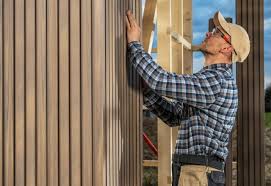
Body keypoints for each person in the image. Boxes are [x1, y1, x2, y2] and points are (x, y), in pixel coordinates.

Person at [126, 10, 250, 186]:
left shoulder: (216, 81)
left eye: (216, 33)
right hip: (193, 171)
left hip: (198, 173)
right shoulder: (209, 79)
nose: (209, 33)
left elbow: (161, 81)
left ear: (227, 48)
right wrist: (147, 91)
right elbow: (174, 115)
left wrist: (134, 44)